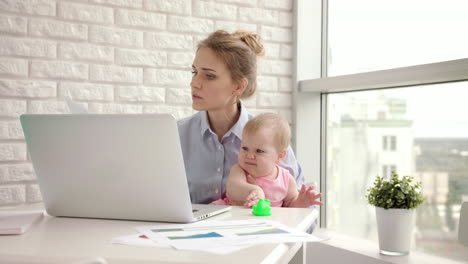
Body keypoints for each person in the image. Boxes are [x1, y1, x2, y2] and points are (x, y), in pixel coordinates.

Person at [177, 29, 319, 205]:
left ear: (238, 86)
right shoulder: (175, 136)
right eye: (194, 72)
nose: (194, 83)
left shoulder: (271, 139)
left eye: (209, 76)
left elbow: (299, 212)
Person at [212, 113, 323, 208]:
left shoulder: (286, 180)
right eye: (245, 148)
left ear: (280, 156)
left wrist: (301, 202)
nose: (250, 156)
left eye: (259, 151)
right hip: (232, 217)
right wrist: (254, 191)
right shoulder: (240, 170)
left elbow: (290, 206)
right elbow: (233, 188)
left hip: (266, 224)